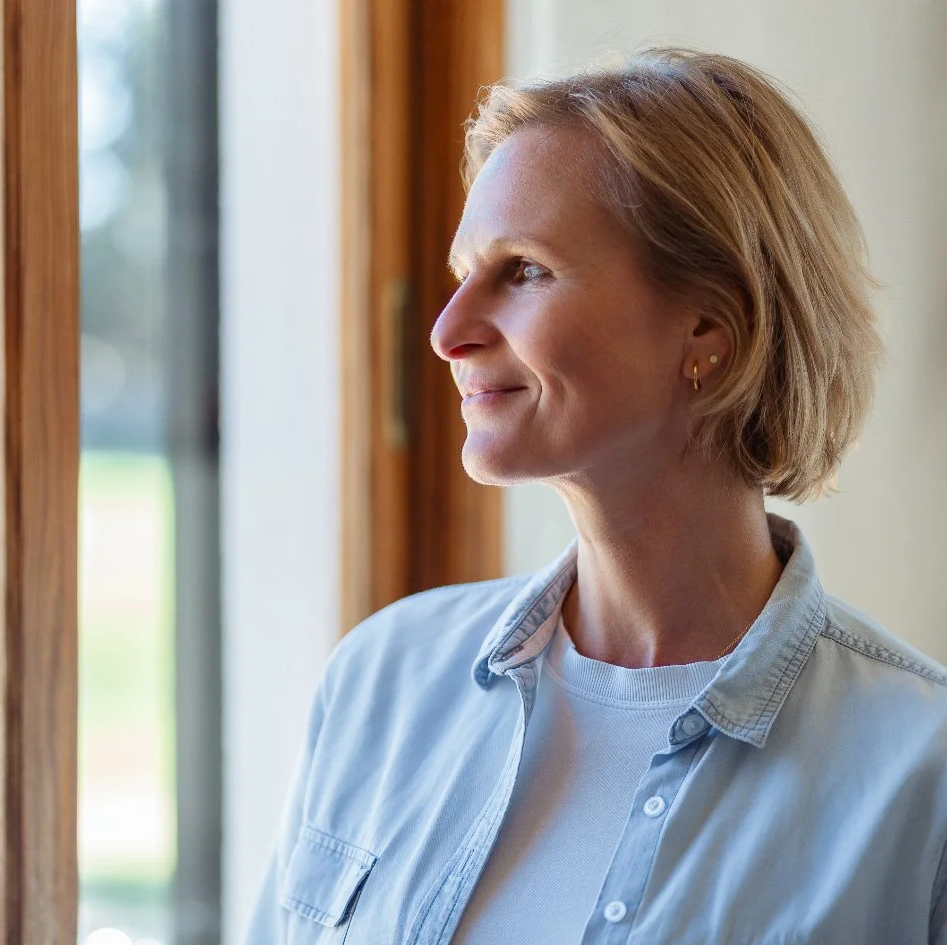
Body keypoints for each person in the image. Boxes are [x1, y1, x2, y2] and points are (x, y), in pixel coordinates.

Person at [243, 47, 947, 944]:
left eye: (524, 270)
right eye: (464, 273)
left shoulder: (918, 779)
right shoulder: (380, 681)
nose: (448, 330)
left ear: (708, 326)